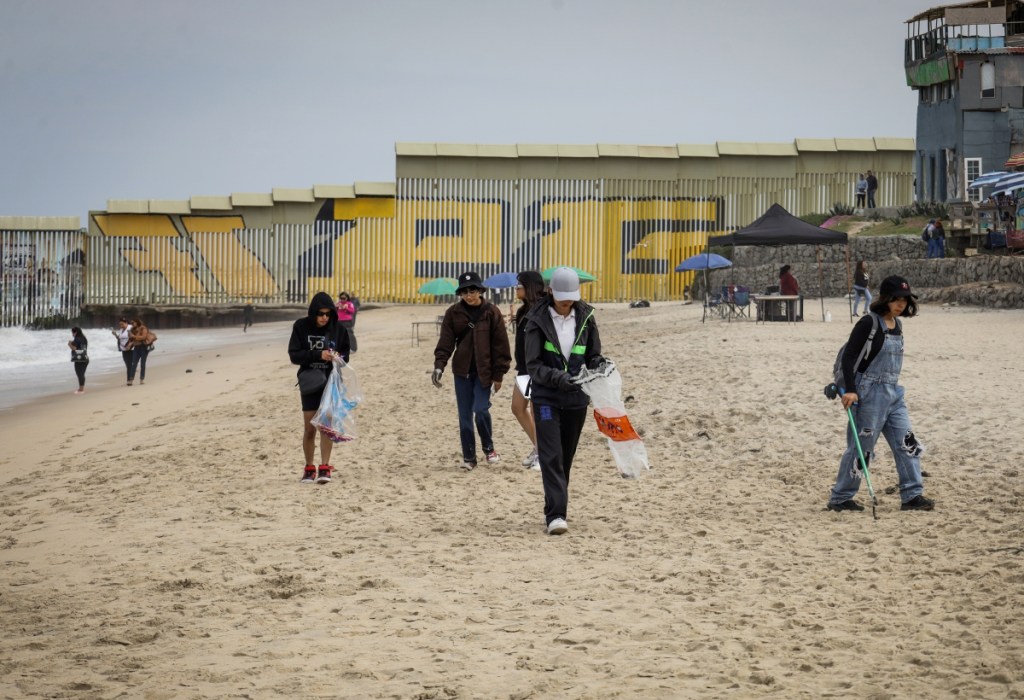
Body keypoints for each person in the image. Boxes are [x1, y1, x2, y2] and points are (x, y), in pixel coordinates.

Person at [827, 275, 934, 513]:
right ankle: (841, 498)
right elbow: (849, 356)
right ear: (885, 298)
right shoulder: (868, 323)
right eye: (896, 299)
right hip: (868, 395)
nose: (901, 304)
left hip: (894, 394)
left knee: (907, 443)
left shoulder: (899, 325)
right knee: (861, 449)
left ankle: (912, 495)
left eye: (904, 300)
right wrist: (852, 390)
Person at [523, 267, 604, 535]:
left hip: (577, 399)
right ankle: (556, 515)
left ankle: (556, 503)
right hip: (546, 397)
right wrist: (559, 378)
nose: (567, 302)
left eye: (570, 297)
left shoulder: (586, 317)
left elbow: (592, 354)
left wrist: (599, 364)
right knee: (551, 455)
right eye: (562, 297)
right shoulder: (535, 320)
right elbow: (533, 365)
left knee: (565, 457)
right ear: (550, 292)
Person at [432, 271, 511, 471]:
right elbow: (446, 343)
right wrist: (439, 366)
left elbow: (501, 346)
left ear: (480, 291)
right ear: (460, 293)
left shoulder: (492, 312)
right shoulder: (453, 313)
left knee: (481, 410)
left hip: (484, 372)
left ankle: (489, 448)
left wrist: (499, 374)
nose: (469, 294)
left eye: (473, 290)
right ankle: (469, 457)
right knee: (464, 416)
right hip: (462, 372)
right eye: (465, 291)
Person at [288, 291, 351, 484]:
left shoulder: (339, 330)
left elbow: (346, 356)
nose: (324, 318)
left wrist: (336, 357)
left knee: (327, 426)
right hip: (309, 381)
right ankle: (309, 467)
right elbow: (294, 355)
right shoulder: (301, 326)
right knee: (309, 429)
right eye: (320, 314)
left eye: (327, 314)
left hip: (331, 382)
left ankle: (325, 467)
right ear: (313, 312)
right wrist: (318, 355)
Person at [511, 270, 547, 471]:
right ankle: (538, 447)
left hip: (538, 368)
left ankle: (544, 454)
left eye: (520, 285)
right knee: (517, 407)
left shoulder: (544, 309)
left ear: (530, 286)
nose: (517, 289)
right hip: (523, 367)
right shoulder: (522, 310)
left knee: (537, 412)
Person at [127, 318, 152, 386]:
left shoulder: (143, 328)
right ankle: (131, 380)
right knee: (134, 363)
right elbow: (131, 338)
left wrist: (134, 336)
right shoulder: (132, 329)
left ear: (137, 322)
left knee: (142, 364)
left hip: (143, 347)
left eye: (134, 323)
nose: (132, 324)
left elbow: (143, 337)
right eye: (132, 323)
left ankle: (142, 379)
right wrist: (130, 341)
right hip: (136, 347)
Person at [112, 317, 133, 385]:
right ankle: (131, 374)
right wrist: (115, 334)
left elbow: (134, 338)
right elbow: (119, 338)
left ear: (126, 323)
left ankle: (129, 380)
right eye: (119, 324)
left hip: (131, 349)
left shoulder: (130, 328)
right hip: (123, 349)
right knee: (127, 364)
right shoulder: (121, 330)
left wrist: (130, 345)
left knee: (129, 364)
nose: (120, 326)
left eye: (122, 324)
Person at [68, 327, 89, 394]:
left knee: (80, 374)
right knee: (81, 374)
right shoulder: (84, 338)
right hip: (85, 358)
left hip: (79, 359)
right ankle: (81, 388)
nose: (72, 334)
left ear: (76, 332)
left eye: (73, 332)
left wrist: (69, 344)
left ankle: (81, 390)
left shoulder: (77, 339)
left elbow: (74, 348)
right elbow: (82, 348)